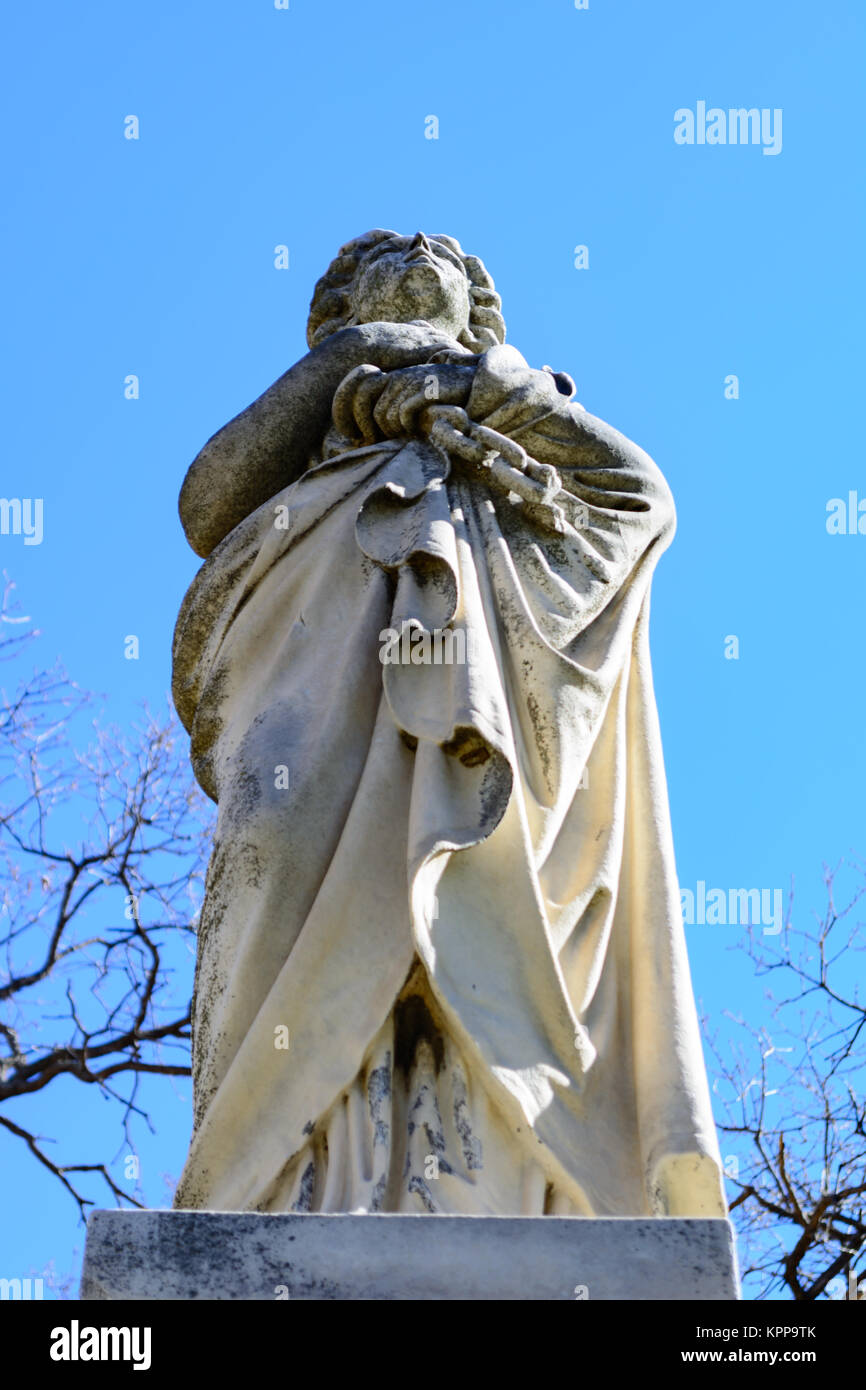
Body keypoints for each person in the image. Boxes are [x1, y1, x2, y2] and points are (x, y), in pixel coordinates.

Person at [172, 230, 727, 1218]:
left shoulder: (516, 408)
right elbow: (208, 501)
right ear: (339, 303)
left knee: (480, 888)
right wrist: (353, 361)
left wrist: (480, 392)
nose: (425, 247)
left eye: (449, 257)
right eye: (388, 253)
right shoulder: (318, 425)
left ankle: (492, 1178)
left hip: (489, 702)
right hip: (309, 672)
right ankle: (259, 1179)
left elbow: (639, 498)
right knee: (273, 847)